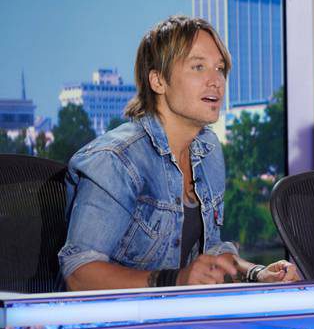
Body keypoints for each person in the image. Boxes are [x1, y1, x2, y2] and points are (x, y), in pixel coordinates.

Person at [58, 15, 298, 290]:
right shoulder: (116, 159)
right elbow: (79, 272)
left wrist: (257, 273)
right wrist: (175, 280)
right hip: (116, 316)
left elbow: (210, 250)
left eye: (220, 68)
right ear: (158, 81)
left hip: (178, 313)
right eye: (198, 67)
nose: (216, 81)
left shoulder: (208, 150)